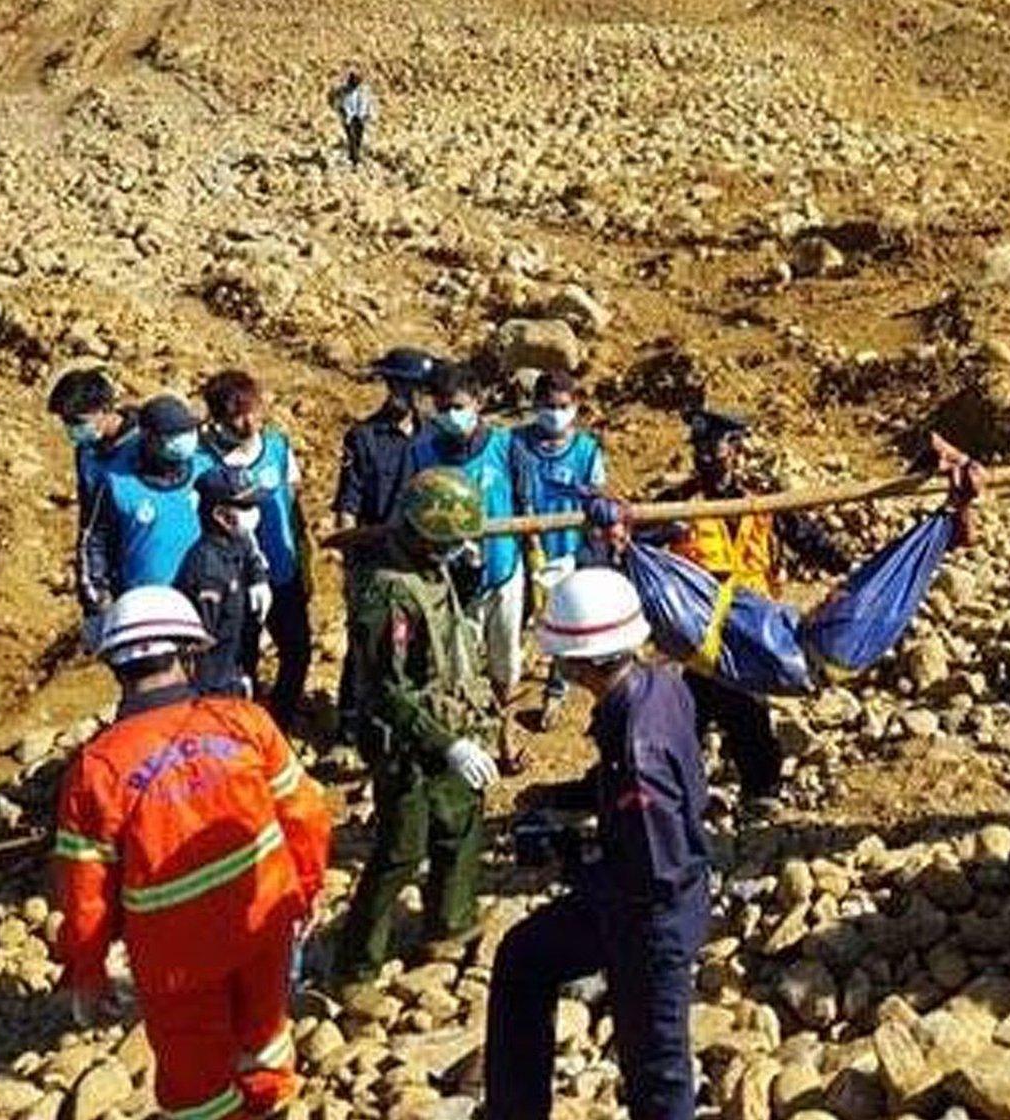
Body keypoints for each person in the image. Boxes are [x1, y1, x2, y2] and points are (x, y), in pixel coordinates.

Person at [53, 587, 330, 1120]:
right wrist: (307, 891)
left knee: (196, 1083)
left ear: (115, 667)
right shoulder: (245, 723)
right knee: (267, 1043)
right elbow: (307, 817)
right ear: (190, 653)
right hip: (263, 927)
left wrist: (87, 974)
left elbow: (86, 897)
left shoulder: (96, 770)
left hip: (175, 958)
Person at [486, 568, 710, 1120]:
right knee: (523, 958)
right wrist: (560, 797)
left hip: (650, 919)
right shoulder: (661, 687)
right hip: (644, 898)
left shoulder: (637, 749)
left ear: (577, 660)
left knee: (658, 1074)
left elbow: (653, 872)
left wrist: (568, 857)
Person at [326, 469, 501, 988]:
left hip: (450, 723)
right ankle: (357, 965)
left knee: (461, 824)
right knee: (401, 851)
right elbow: (386, 690)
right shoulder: (389, 593)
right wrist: (447, 745)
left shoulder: (429, 568)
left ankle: (449, 923)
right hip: (409, 740)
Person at [654, 408, 847, 817]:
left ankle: (755, 787)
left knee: (735, 706)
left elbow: (805, 537)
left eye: (715, 447)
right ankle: (711, 787)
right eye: (700, 448)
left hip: (753, 629)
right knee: (701, 706)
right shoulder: (677, 506)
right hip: (702, 632)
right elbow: (642, 541)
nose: (706, 456)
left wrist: (845, 567)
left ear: (736, 450)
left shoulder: (761, 503)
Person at [410, 364, 526, 771]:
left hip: (503, 569)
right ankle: (466, 741)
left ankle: (506, 735)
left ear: (478, 404)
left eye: (458, 406)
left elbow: (524, 502)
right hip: (453, 580)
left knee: (505, 663)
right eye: (443, 407)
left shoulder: (504, 445)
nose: (451, 415)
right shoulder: (422, 450)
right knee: (459, 666)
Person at [334, 347, 434, 746]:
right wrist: (351, 568)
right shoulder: (364, 438)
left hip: (423, 561)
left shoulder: (435, 435)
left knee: (419, 645)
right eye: (402, 387)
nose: (407, 396)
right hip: (376, 561)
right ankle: (349, 724)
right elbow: (347, 505)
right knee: (367, 645)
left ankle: (413, 722)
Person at [201, 371, 312, 731]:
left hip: (282, 568)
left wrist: (303, 561)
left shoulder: (277, 447)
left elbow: (294, 506)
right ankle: (245, 728)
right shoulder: (206, 463)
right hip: (235, 578)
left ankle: (280, 717)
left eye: (252, 411)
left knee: (297, 649)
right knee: (240, 658)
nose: (247, 422)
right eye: (236, 415)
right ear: (218, 419)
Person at [511, 371, 610, 732]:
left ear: (576, 407)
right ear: (535, 406)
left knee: (567, 621)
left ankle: (556, 690)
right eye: (548, 406)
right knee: (517, 618)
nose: (555, 413)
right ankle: (500, 691)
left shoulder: (586, 451)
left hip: (568, 550)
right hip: (521, 550)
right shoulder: (515, 444)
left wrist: (586, 552)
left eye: (563, 407)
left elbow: (599, 500)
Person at [80, 395, 212, 614]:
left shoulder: (205, 468)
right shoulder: (116, 482)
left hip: (202, 600)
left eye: (186, 432)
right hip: (141, 605)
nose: (184, 440)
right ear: (148, 437)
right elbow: (95, 542)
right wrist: (98, 602)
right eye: (172, 435)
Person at [48, 368, 141, 644]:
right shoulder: (87, 451)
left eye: (77, 420)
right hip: (108, 557)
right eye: (66, 422)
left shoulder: (142, 446)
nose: (71, 429)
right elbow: (89, 523)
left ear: (104, 410)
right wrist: (93, 596)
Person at [175, 467, 272, 699]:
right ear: (221, 515)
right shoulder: (207, 570)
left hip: (235, 672)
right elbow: (199, 648)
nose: (254, 512)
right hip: (213, 689)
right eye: (246, 507)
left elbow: (249, 553)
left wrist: (258, 578)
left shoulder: (234, 543)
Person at [332, 72, 377, 167]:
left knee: (358, 137)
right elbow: (338, 104)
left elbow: (368, 102)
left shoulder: (363, 91)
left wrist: (368, 114)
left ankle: (355, 155)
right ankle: (354, 158)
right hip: (349, 118)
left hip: (360, 116)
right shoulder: (343, 91)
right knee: (351, 137)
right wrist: (342, 114)